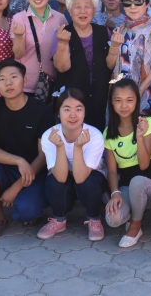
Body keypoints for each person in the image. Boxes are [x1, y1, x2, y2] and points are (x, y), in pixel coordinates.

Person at [0, 60, 55, 239]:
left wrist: (16, 188)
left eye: (13, 77)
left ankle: (25, 201)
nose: (8, 83)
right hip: (4, 169)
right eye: (2, 79)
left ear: (25, 81)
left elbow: (43, 155)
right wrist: (18, 161)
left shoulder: (42, 111)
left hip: (33, 173)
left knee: (26, 213)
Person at [37, 88, 108, 241]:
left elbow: (81, 177)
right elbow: (61, 178)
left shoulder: (94, 135)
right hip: (65, 179)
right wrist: (60, 147)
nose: (73, 115)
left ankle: (94, 219)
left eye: (78, 109)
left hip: (90, 178)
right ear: (58, 113)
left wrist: (78, 147)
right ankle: (59, 220)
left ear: (84, 112)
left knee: (89, 182)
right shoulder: (49, 135)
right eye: (67, 109)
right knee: (53, 181)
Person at [103, 79, 151, 247]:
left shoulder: (148, 123)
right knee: (113, 219)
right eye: (118, 100)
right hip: (127, 186)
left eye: (129, 100)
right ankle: (130, 213)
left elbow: (144, 165)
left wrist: (139, 137)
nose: (124, 105)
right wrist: (115, 193)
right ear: (112, 102)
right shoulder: (109, 133)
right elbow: (112, 171)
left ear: (137, 100)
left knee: (137, 182)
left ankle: (136, 224)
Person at [53, 0, 111, 132]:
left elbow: (111, 65)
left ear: (94, 10)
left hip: (100, 99)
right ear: (70, 10)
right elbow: (62, 68)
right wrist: (63, 43)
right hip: (72, 103)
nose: (83, 11)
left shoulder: (104, 32)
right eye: (77, 7)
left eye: (88, 7)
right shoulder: (62, 33)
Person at [107, 0, 151, 113]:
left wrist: (139, 90)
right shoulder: (119, 30)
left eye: (138, 1)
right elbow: (110, 65)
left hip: (147, 93)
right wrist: (114, 46)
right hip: (120, 94)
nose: (133, 6)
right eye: (128, 2)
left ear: (147, 4)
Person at [10, 0, 67, 97]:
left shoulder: (60, 18)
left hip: (52, 85)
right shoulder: (19, 18)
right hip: (25, 85)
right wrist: (18, 36)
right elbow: (18, 54)